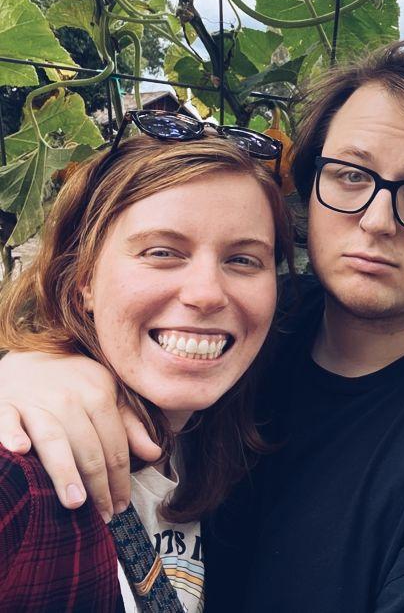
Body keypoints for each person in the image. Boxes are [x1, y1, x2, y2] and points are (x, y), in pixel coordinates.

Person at [0, 40, 404, 611]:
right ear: (310, 184)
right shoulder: (260, 326)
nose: (376, 219)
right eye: (351, 175)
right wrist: (33, 371)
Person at [0, 122, 292, 612]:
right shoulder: (19, 481)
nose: (206, 293)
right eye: (162, 252)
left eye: (243, 260)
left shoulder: (219, 448)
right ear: (83, 281)